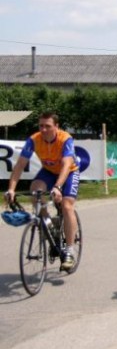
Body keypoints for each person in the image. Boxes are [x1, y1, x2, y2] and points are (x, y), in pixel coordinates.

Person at [5, 111, 81, 271]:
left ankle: (69, 250)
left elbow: (67, 164)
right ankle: (48, 223)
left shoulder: (65, 138)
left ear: (56, 127)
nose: (44, 129)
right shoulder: (34, 140)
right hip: (48, 171)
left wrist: (58, 187)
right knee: (35, 192)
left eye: (48, 126)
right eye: (41, 126)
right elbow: (19, 166)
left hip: (68, 172)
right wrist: (11, 189)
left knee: (67, 206)